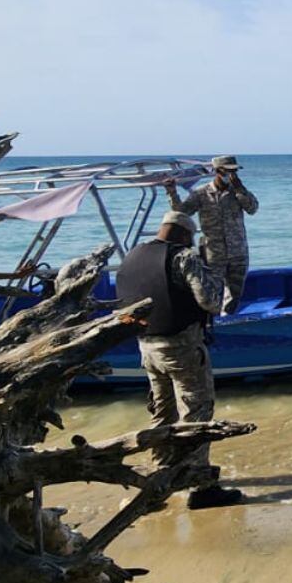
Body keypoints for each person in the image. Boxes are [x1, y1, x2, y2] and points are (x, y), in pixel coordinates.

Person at [118, 211, 242, 509]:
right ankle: (200, 487)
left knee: (162, 413)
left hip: (146, 347)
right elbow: (211, 302)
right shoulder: (184, 257)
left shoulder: (132, 256)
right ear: (185, 234)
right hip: (181, 347)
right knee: (196, 413)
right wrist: (213, 271)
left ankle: (158, 479)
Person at [167, 155, 258, 314]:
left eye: (234, 171)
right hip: (214, 254)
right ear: (217, 171)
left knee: (234, 296)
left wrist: (240, 189)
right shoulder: (201, 193)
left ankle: (228, 319)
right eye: (227, 171)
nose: (231, 175)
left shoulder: (238, 191)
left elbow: (252, 209)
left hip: (238, 252)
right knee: (211, 295)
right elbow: (181, 212)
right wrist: (172, 192)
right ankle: (211, 322)